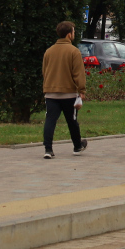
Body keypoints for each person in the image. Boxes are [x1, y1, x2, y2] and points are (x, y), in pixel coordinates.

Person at [42, 21, 87, 159]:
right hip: (68, 93)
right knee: (72, 120)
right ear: (69, 35)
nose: (74, 34)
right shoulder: (74, 51)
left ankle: (48, 149)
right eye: (73, 32)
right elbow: (78, 73)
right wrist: (82, 90)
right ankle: (77, 146)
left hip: (51, 92)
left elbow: (45, 71)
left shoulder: (49, 51)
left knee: (50, 120)